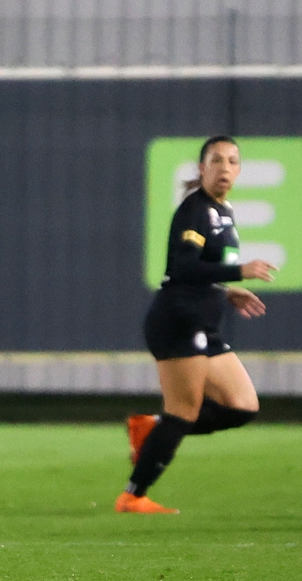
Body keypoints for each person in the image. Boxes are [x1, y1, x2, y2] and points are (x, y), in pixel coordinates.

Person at [116, 135, 278, 514]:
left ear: (239, 170)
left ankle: (150, 428)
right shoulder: (196, 210)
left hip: (204, 320)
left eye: (232, 161)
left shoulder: (224, 210)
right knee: (183, 413)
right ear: (202, 168)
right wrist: (240, 271)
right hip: (178, 320)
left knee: (242, 406)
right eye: (216, 160)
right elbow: (183, 266)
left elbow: (201, 272)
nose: (224, 168)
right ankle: (133, 495)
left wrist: (225, 291)